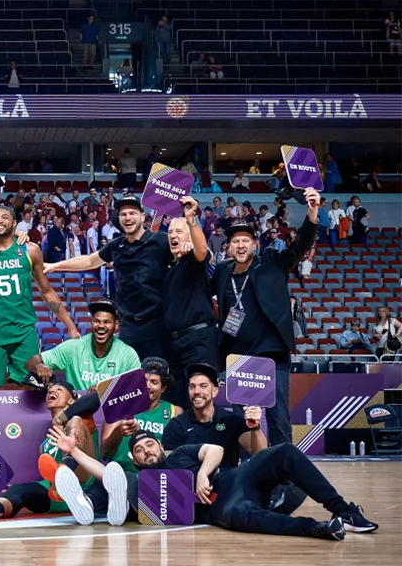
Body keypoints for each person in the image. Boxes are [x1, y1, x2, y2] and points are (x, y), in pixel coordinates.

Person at [213, 188, 320, 447]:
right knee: (242, 420)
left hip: (273, 355)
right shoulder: (223, 272)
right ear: (228, 248)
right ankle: (249, 474)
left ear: (255, 245)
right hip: (238, 357)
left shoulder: (272, 262)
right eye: (235, 242)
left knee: (278, 417)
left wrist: (312, 212)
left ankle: (283, 476)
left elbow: (300, 246)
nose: (240, 245)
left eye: (245, 241)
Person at [127, 434, 377, 539]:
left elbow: (215, 450)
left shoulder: (179, 454)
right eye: (139, 450)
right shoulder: (143, 485)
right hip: (218, 507)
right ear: (135, 461)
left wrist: (202, 474)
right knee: (241, 515)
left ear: (160, 446)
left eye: (149, 444)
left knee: (284, 451)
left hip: (231, 479)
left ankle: (344, 511)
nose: (146, 450)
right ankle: (319, 528)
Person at [0, 381, 117, 524]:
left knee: (76, 421)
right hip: (55, 496)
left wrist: (65, 417)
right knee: (19, 490)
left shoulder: (84, 419)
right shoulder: (45, 443)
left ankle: (63, 473)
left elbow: (99, 397)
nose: (51, 391)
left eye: (58, 389)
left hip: (84, 485)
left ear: (72, 400)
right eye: (49, 390)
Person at [46, 195, 172, 360]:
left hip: (158, 323)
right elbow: (90, 260)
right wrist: (54, 266)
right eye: (123, 214)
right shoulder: (116, 245)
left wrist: (189, 243)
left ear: (142, 217)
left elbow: (201, 256)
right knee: (129, 379)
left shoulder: (161, 240)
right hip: (129, 325)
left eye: (132, 213)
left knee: (157, 378)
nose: (128, 217)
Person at [0, 205, 80, 389]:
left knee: (32, 387)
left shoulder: (30, 250)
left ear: (14, 223)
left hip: (24, 331)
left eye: (5, 217)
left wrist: (70, 326)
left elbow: (46, 291)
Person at [161, 197, 215, 408]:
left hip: (198, 340)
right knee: (178, 401)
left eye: (178, 231)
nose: (173, 235)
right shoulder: (168, 266)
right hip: (175, 344)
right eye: (170, 232)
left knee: (199, 397)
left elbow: (202, 251)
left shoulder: (193, 260)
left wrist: (191, 220)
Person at [25, 298, 140, 390]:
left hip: (111, 411)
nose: (101, 326)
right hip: (76, 411)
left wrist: (105, 392)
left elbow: (136, 389)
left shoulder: (127, 354)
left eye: (107, 322)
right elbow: (30, 362)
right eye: (96, 321)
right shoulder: (74, 347)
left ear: (116, 325)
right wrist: (39, 366)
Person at [101, 357, 182, 473]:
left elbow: (177, 454)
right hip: (122, 475)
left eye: (154, 382)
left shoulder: (175, 412)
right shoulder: (118, 406)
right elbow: (105, 454)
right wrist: (118, 432)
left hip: (159, 477)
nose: (147, 386)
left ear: (163, 387)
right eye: (144, 381)